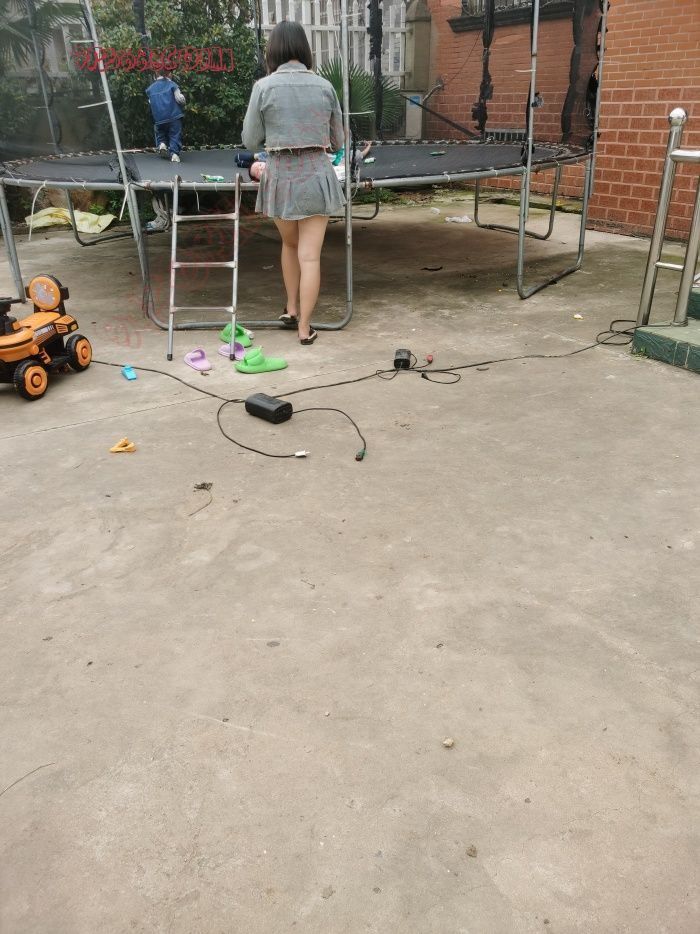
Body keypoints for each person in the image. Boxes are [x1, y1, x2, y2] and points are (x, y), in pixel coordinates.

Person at [242, 21, 345, 345]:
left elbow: (250, 140)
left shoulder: (263, 87)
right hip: (316, 175)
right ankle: (305, 329)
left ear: (273, 51)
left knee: (289, 244)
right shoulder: (325, 87)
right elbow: (338, 141)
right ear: (304, 49)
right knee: (310, 256)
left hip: (281, 176)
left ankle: (290, 308)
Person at [146, 74, 186, 163]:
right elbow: (179, 99)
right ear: (168, 74)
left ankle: (162, 144)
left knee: (160, 132)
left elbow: (150, 102)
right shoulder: (172, 85)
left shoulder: (150, 89)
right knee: (175, 134)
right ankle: (174, 154)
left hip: (159, 117)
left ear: (155, 75)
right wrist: (183, 100)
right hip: (173, 115)